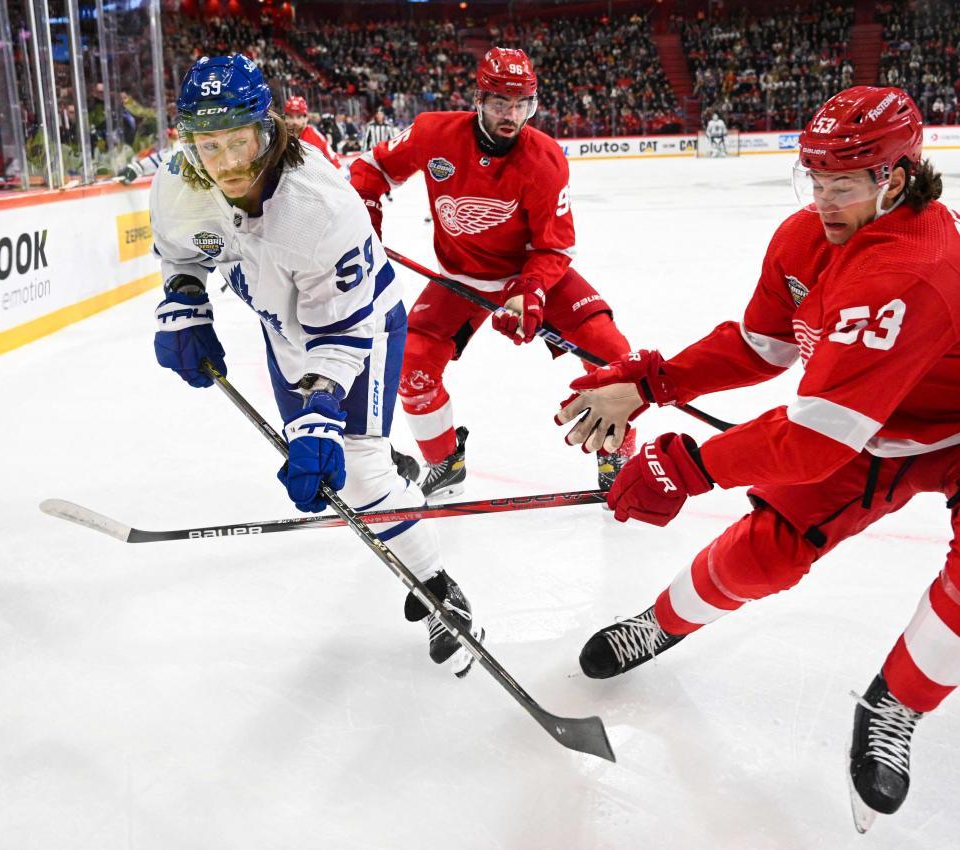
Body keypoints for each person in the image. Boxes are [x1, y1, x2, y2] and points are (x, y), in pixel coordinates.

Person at [556, 86, 960, 832]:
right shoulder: (806, 238)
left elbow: (810, 441)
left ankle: (896, 702)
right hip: (880, 416)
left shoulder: (910, 269)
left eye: (842, 183)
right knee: (767, 550)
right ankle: (661, 621)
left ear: (895, 178)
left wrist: (682, 466)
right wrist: (648, 383)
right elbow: (760, 346)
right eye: (814, 178)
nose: (823, 198)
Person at [148, 54, 483, 677]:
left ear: (266, 129)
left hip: (361, 326)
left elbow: (344, 331)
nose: (222, 162)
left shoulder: (319, 207)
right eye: (207, 144)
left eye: (237, 141)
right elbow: (181, 253)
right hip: (285, 331)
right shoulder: (181, 180)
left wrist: (324, 409)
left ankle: (442, 591)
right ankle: (386, 465)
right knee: (343, 461)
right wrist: (186, 300)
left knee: (352, 471)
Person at [350, 47, 638, 500]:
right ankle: (445, 460)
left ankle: (616, 452)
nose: (512, 115)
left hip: (528, 273)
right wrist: (366, 223)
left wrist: (530, 290)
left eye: (522, 104)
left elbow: (554, 246)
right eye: (502, 104)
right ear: (479, 100)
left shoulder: (545, 160)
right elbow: (372, 168)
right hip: (461, 277)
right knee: (412, 364)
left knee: (612, 353)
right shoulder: (433, 132)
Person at [283, 95, 340, 169]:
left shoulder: (313, 134)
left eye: (299, 116)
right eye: (290, 116)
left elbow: (333, 158)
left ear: (306, 118)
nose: (295, 122)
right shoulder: (280, 136)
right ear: (285, 117)